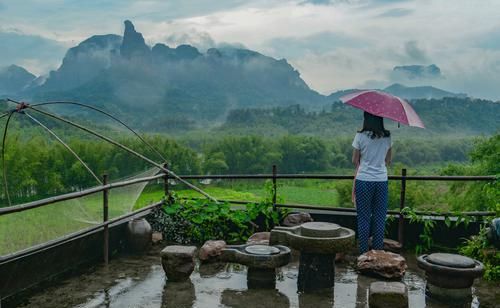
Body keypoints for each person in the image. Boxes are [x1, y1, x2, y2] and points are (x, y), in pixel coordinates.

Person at [352, 111, 392, 254]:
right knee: (380, 218)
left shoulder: (360, 136)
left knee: (363, 218)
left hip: (364, 180)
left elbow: (354, 160)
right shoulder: (387, 136)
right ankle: (378, 253)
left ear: (366, 119)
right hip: (381, 180)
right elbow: (388, 160)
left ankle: (363, 253)